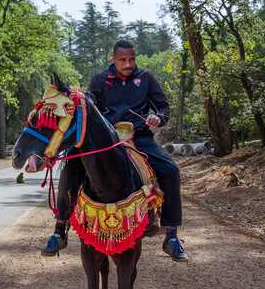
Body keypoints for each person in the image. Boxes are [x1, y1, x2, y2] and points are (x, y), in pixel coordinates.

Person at [41, 39, 189, 262]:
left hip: (138, 136)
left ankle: (171, 235)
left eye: (131, 60)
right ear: (113, 59)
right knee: (70, 165)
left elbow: (163, 107)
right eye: (123, 60)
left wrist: (158, 117)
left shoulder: (146, 78)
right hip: (103, 141)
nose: (128, 64)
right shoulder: (100, 80)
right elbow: (86, 109)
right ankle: (59, 230)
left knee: (170, 169)